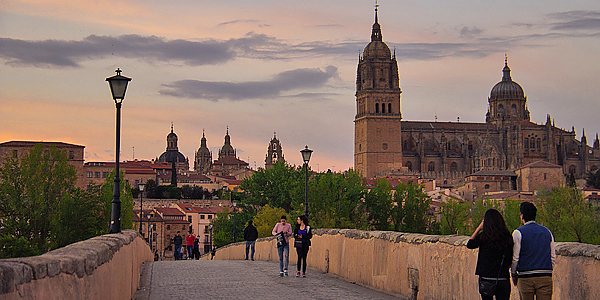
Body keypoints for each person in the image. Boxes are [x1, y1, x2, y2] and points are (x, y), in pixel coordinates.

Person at [511, 202, 555, 300]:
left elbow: (515, 258)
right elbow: (552, 256)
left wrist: (514, 274)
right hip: (545, 275)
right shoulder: (547, 232)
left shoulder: (518, 233)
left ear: (522, 216)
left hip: (525, 277)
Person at [467, 209, 514, 300]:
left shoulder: (484, 236)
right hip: (502, 278)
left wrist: (479, 228)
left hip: (486, 279)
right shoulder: (507, 236)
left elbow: (470, 244)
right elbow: (509, 258)